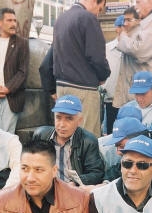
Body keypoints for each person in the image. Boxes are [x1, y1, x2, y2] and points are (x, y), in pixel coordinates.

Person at [52, 0, 110, 137]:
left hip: (62, 86)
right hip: (83, 88)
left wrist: (51, 87)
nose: (98, 13)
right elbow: (96, 57)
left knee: (65, 135)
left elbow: (51, 57)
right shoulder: (88, 18)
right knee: (87, 138)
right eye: (100, 9)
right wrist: (103, 75)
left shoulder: (61, 19)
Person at [31, 95, 104, 186]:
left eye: (69, 119)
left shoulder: (88, 141)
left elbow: (96, 174)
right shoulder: (41, 135)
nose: (62, 124)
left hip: (72, 190)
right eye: (58, 117)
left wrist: (75, 183)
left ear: (79, 121)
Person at [99, 116, 152, 191]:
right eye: (116, 146)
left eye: (121, 146)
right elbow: (115, 171)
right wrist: (105, 184)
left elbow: (146, 197)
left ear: (138, 139)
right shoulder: (135, 155)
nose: (118, 152)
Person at [113, 6, 141, 109]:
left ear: (138, 21)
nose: (125, 23)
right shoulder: (128, 36)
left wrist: (123, 35)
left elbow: (132, 49)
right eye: (124, 20)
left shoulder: (139, 35)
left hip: (136, 93)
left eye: (129, 20)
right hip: (127, 93)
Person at [102, 15, 125, 135]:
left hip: (128, 99)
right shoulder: (107, 49)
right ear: (117, 28)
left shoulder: (135, 49)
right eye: (122, 26)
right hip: (110, 98)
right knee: (111, 133)